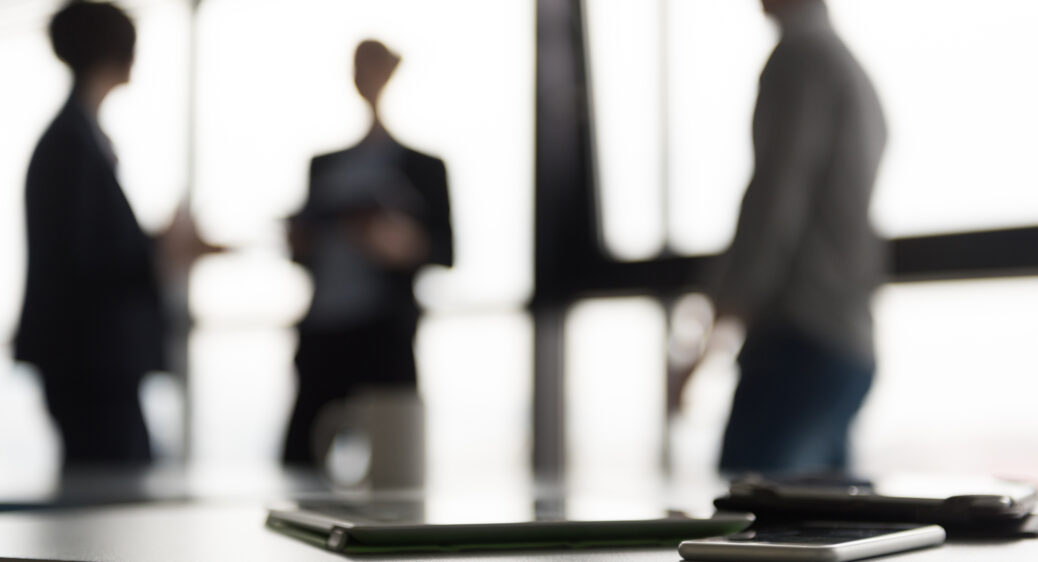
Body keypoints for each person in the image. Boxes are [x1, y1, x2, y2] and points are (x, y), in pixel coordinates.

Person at [670, 0, 887, 474]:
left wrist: (705, 345)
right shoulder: (851, 71)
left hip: (798, 344)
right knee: (827, 530)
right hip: (843, 344)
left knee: (748, 526)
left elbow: (772, 210)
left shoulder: (800, 59)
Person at [16, 1, 211, 467]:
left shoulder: (76, 138)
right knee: (112, 488)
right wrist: (162, 251)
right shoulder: (71, 144)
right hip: (91, 364)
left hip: (88, 362)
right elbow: (84, 262)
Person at [282, 40, 453, 465]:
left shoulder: (424, 166)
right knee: (300, 461)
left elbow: (444, 249)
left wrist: (401, 244)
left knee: (393, 466)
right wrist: (301, 243)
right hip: (324, 336)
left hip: (383, 339)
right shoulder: (324, 164)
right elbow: (306, 249)